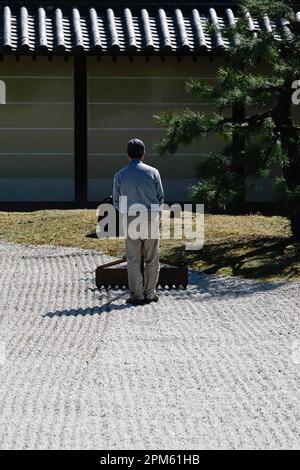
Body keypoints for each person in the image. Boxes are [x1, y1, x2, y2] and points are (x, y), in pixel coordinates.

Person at [113, 138, 164, 305]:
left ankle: (137, 294)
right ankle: (150, 293)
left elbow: (116, 202)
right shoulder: (154, 172)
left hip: (131, 218)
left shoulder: (119, 175)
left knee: (133, 259)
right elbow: (160, 197)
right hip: (151, 217)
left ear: (128, 155)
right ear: (143, 154)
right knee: (152, 257)